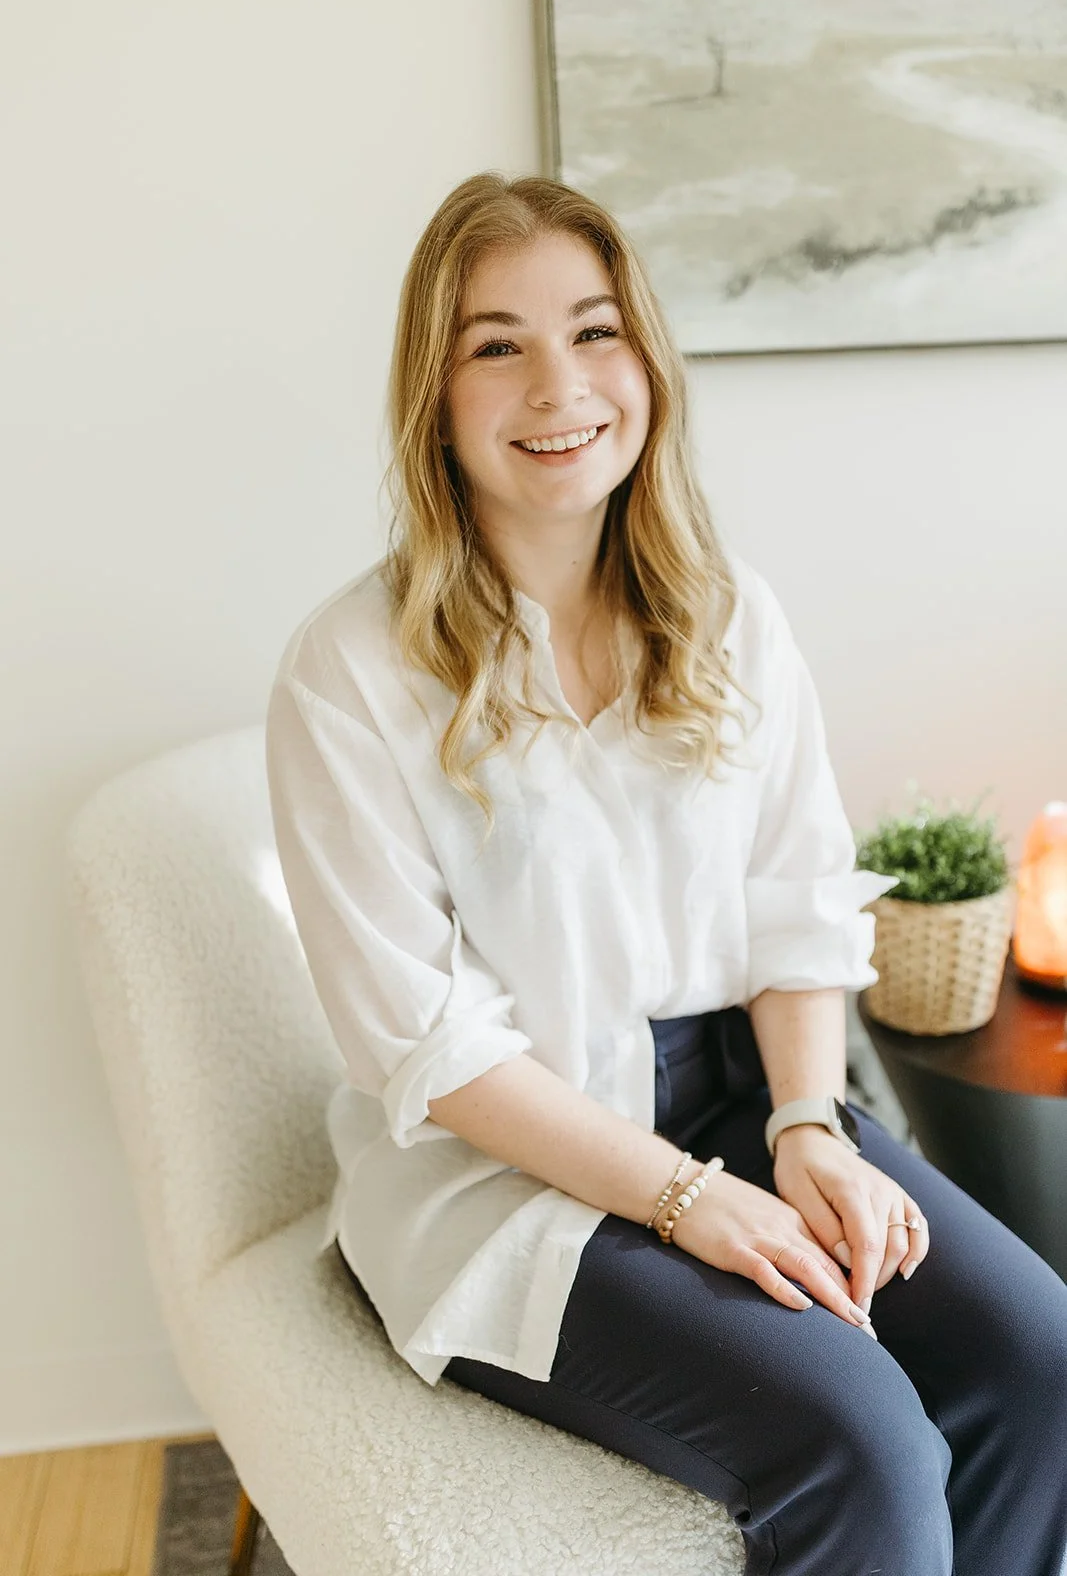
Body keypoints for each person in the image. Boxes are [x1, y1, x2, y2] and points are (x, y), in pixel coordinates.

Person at [264, 171, 1067, 1576]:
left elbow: (793, 900)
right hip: (509, 1168)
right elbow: (434, 1049)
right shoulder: (348, 671)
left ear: (644, 358)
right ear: (433, 394)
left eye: (593, 331)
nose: (557, 385)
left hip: (750, 1097)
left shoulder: (725, 612)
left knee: (1041, 1366)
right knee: (862, 1441)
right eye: (494, 344)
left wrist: (810, 1126)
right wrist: (684, 1202)